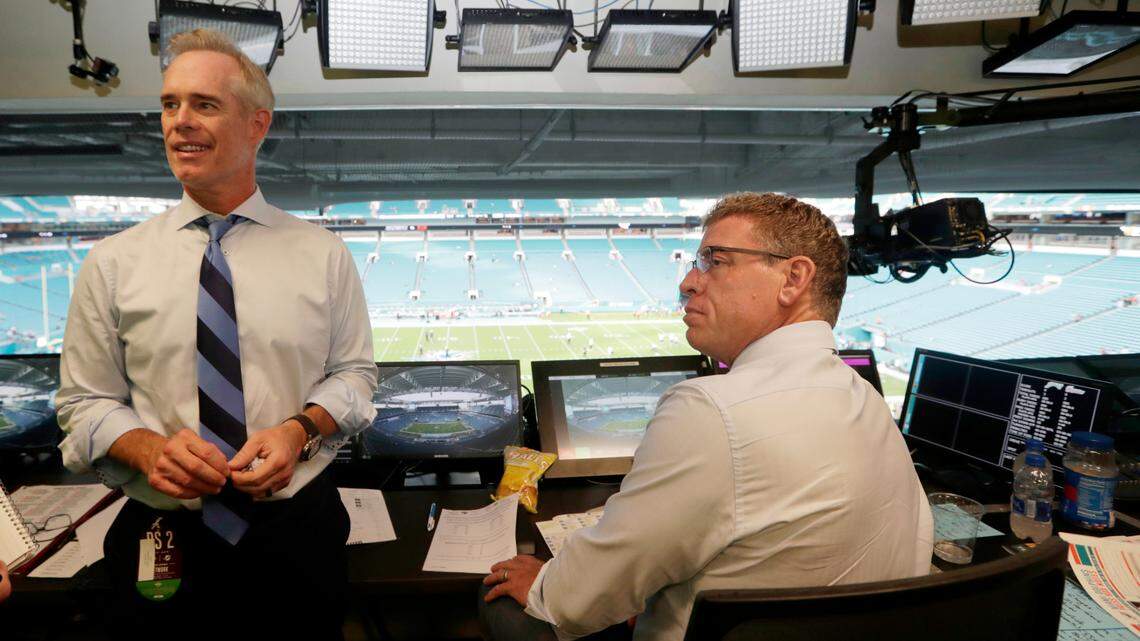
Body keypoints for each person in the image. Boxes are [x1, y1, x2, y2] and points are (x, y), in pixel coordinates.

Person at [480, 192, 933, 641]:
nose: (688, 283)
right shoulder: (867, 400)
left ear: (793, 278)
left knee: (508, 609)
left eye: (715, 260)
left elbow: (579, 598)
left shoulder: (711, 410)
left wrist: (545, 585)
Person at [55, 29, 377, 641]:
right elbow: (82, 404)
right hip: (163, 529)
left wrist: (298, 429)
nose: (179, 122)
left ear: (257, 125)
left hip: (297, 530)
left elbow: (355, 377)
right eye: (170, 104)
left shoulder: (322, 255)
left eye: (204, 104)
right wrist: (147, 450)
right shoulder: (112, 263)